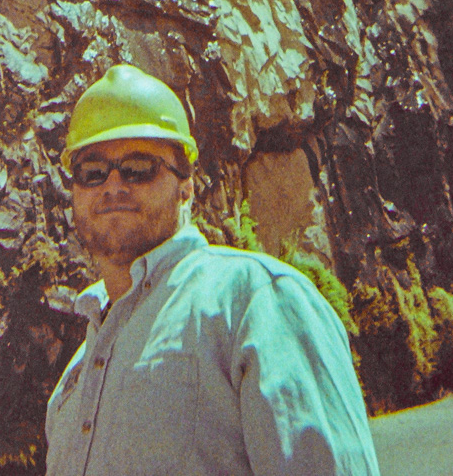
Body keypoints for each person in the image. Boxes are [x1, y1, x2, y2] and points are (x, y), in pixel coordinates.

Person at [45, 63, 380, 476]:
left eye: (138, 167)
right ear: (74, 192)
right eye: (92, 173)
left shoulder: (258, 299)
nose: (113, 185)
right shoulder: (75, 378)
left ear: (186, 187)